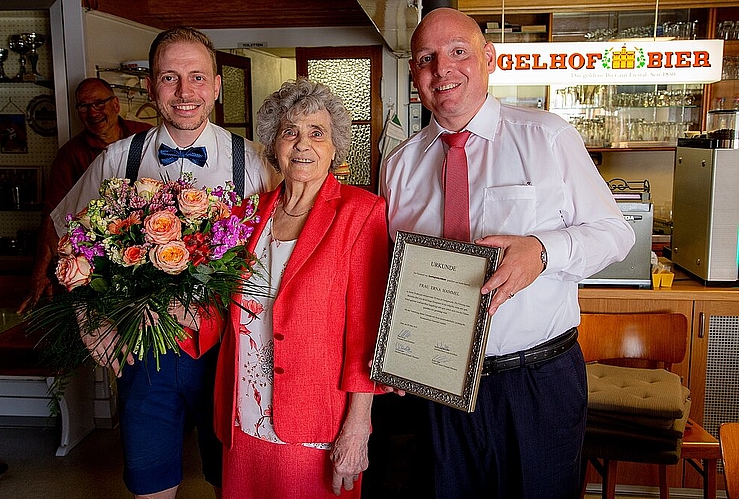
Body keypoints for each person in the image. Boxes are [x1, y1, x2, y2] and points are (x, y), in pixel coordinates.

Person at [380, 8, 635, 499]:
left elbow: (614, 233)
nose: (442, 69)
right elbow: (395, 270)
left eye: (458, 52)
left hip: (536, 382)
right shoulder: (399, 165)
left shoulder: (547, 136)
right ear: (414, 74)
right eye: (427, 58)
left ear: (489, 58)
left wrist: (542, 251)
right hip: (438, 383)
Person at [50, 27, 279, 499]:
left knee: (230, 482)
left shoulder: (255, 161)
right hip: (144, 350)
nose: (185, 92)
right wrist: (92, 322)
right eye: (169, 78)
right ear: (150, 89)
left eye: (197, 77)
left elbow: (286, 252)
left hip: (228, 352)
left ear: (217, 85)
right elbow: (68, 241)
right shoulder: (118, 159)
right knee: (151, 483)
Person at [190, 77, 388, 498]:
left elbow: (367, 334)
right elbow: (223, 312)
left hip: (316, 420)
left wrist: (358, 426)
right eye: (290, 132)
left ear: (335, 148)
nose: (303, 144)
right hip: (244, 412)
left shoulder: (361, 213)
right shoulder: (247, 215)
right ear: (273, 145)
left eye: (317, 133)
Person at [18, 78, 153, 313]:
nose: (93, 112)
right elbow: (52, 218)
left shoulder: (146, 136)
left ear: (116, 105)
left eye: (99, 103)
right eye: (84, 106)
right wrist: (40, 276)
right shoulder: (69, 155)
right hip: (100, 266)